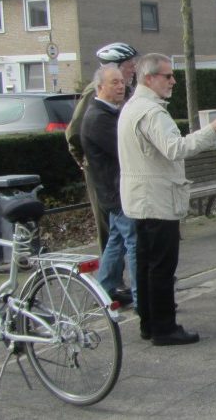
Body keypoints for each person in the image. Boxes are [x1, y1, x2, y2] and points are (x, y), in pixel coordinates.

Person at [118, 53, 216, 346]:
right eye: (167, 76)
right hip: (158, 200)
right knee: (161, 267)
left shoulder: (131, 107)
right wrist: (211, 131)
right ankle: (164, 327)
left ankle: (148, 322)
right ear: (149, 78)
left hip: (139, 200)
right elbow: (175, 148)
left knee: (144, 264)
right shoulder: (152, 112)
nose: (173, 81)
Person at [67, 42, 139, 255]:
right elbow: (74, 132)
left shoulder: (128, 92)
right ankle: (112, 283)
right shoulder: (95, 92)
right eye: (128, 65)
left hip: (120, 165)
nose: (133, 68)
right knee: (108, 224)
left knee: (119, 227)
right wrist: (85, 161)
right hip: (101, 167)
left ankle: (112, 278)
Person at [80, 64, 135, 308]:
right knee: (134, 241)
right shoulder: (98, 118)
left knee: (117, 240)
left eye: (122, 81)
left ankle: (105, 288)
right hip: (116, 191)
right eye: (114, 82)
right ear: (99, 87)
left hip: (115, 189)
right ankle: (142, 294)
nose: (121, 86)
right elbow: (124, 149)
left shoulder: (110, 113)